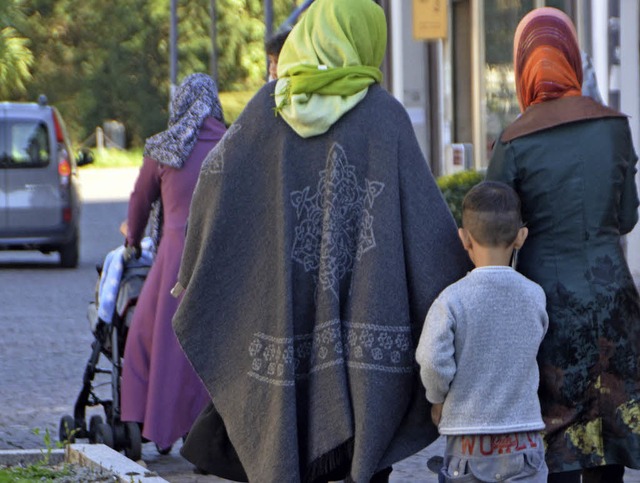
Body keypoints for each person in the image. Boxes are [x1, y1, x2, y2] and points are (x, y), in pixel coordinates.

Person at [171, 0, 471, 481]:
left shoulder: (265, 111)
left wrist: (203, 264)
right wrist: (472, 276)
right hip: (368, 335)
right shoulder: (384, 116)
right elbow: (426, 223)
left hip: (281, 320)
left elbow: (215, 178)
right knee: (368, 459)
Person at [486, 7, 640, 483]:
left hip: (546, 307)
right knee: (609, 432)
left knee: (557, 438)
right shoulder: (614, 126)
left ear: (523, 65)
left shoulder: (514, 141)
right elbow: (628, 218)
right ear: (572, 56)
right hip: (613, 298)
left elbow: (496, 232)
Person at [120, 73, 227, 452]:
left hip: (176, 258)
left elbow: (139, 202)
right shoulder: (233, 143)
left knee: (147, 337)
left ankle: (142, 417)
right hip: (223, 257)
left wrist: (132, 240)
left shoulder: (162, 148)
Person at [416, 181, 549, 483]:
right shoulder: (535, 296)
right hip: (523, 439)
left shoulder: (451, 300)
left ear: (464, 239)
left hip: (468, 442)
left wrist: (437, 400)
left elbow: (432, 359)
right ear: (521, 237)